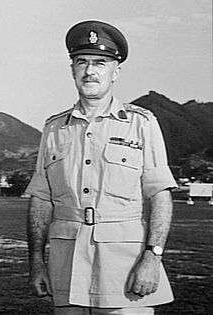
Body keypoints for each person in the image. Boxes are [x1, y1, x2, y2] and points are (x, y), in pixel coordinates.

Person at [26, 20, 177, 315]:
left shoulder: (141, 123)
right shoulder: (54, 128)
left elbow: (160, 196)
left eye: (100, 62)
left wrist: (152, 257)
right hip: (65, 261)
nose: (90, 70)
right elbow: (41, 200)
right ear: (72, 70)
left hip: (124, 263)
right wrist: (36, 262)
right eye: (81, 62)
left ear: (115, 72)